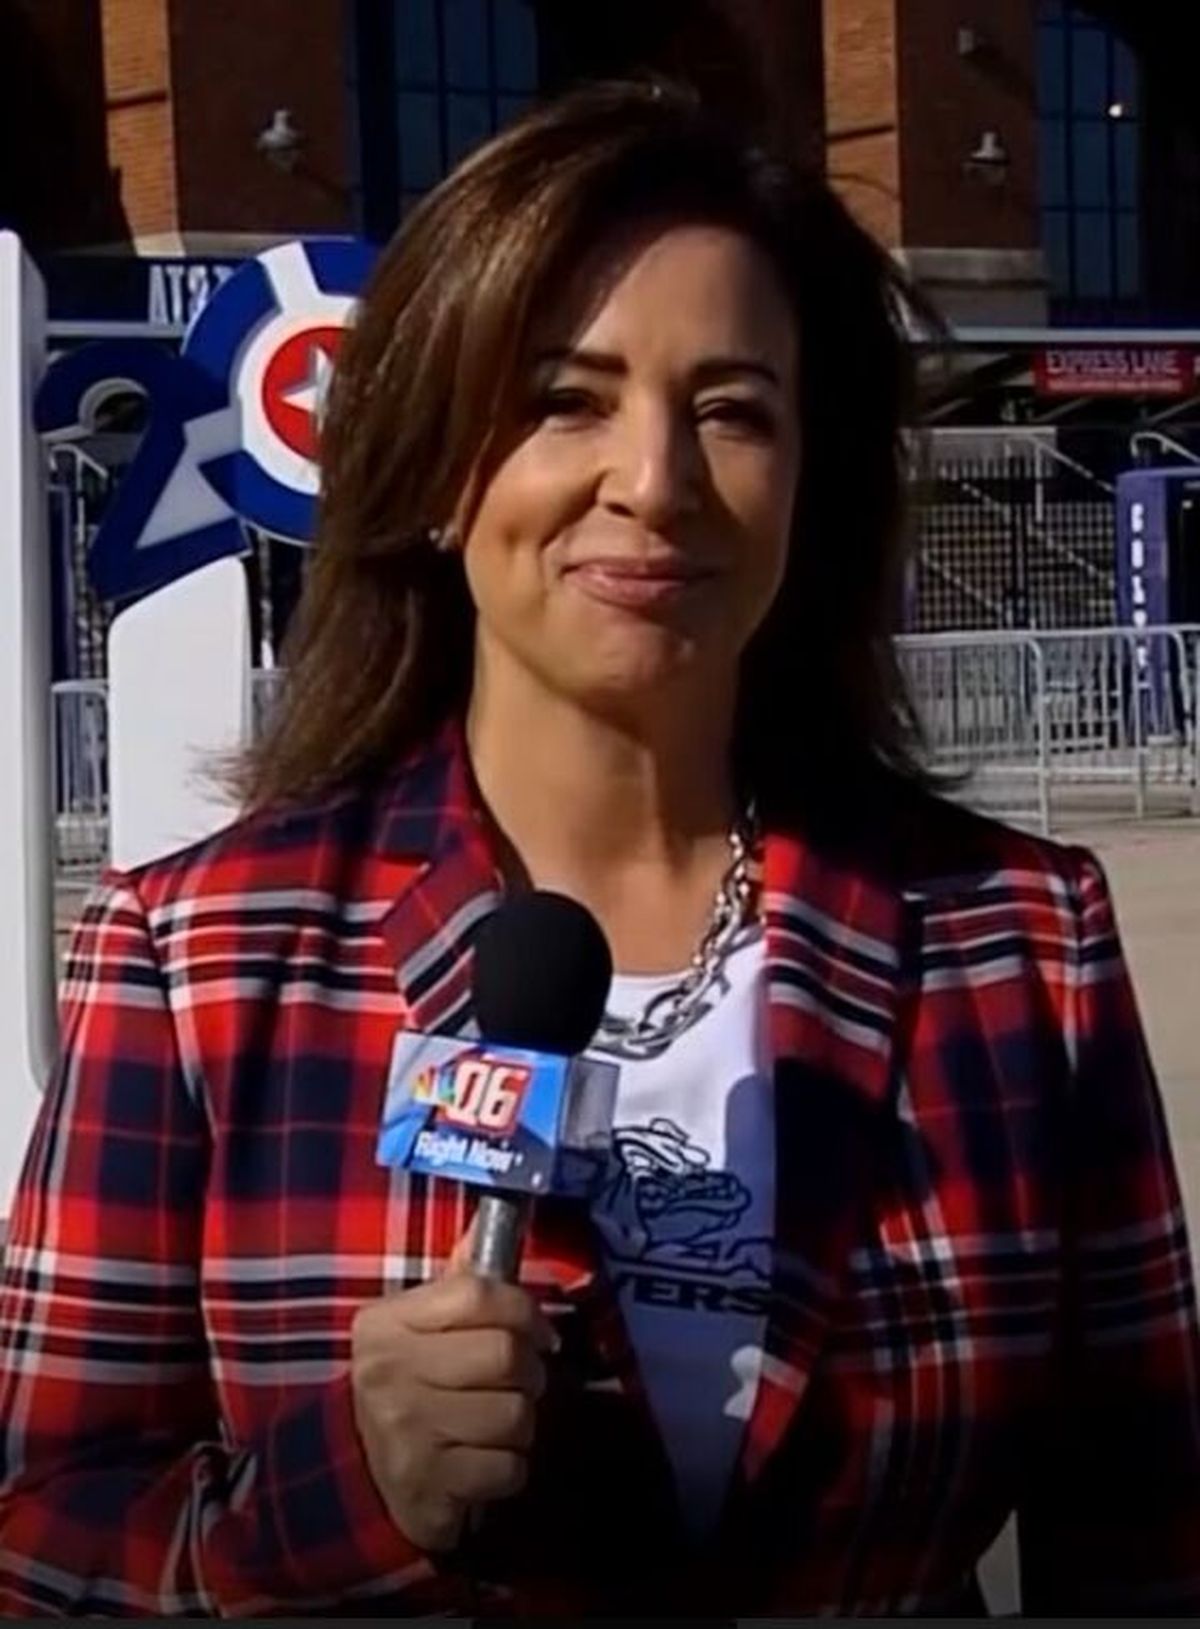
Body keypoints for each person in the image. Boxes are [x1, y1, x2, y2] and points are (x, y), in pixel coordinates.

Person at [2, 80, 1198, 1619]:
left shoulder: (1023, 945)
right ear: (442, 470)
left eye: (731, 409)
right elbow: (39, 1540)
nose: (655, 479)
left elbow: (1146, 1541)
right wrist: (337, 1494)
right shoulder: (200, 958)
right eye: (566, 397)